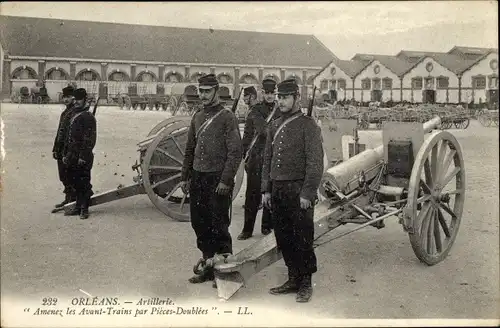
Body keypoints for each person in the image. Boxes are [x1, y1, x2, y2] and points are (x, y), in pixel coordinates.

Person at [261, 79, 324, 303]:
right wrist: (266, 190)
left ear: (297, 98)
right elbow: (267, 159)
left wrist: (308, 193)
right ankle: (292, 277)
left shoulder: (308, 125)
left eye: (286, 97)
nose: (281, 101)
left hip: (298, 191)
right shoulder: (274, 124)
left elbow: (315, 163)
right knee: (284, 236)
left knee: (303, 237)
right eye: (279, 97)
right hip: (277, 189)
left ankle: (305, 282)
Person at [180, 74, 242, 287]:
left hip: (217, 179)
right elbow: (189, 148)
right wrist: (185, 177)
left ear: (217, 91)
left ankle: (225, 273)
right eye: (201, 91)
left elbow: (235, 152)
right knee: (200, 223)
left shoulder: (227, 117)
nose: (203, 95)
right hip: (198, 177)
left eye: (207, 91)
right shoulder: (197, 116)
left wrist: (226, 180)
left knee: (219, 225)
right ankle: (208, 265)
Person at [238, 79, 280, 240]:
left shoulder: (279, 110)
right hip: (257, 156)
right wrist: (243, 154)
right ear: (262, 93)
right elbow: (250, 134)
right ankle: (247, 229)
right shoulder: (256, 110)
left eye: (272, 93)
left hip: (272, 157)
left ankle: (266, 226)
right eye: (267, 93)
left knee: (271, 192)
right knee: (252, 194)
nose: (269, 96)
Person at [62, 88, 97, 220]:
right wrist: (66, 154)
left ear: (85, 100)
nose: (76, 102)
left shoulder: (88, 117)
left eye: (79, 100)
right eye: (75, 99)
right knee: (75, 181)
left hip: (83, 156)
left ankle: (84, 209)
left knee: (84, 183)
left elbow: (90, 139)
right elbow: (68, 137)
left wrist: (83, 156)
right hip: (72, 155)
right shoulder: (74, 114)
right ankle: (77, 206)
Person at [51, 85, 76, 213]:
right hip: (61, 149)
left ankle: (72, 200)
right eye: (64, 97)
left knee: (69, 174)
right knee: (63, 175)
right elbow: (59, 132)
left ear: (74, 98)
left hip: (68, 149)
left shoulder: (74, 112)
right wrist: (55, 148)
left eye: (69, 97)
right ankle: (68, 198)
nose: (66, 99)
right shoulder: (65, 112)